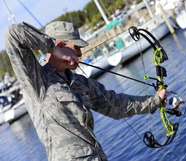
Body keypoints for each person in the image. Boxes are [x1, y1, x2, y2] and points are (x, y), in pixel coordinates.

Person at [5, 21, 166, 161]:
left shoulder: (81, 83)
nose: (80, 54)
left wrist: (155, 101)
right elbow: (14, 34)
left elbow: (117, 105)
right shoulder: (36, 82)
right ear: (61, 46)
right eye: (76, 48)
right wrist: (53, 48)